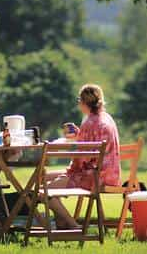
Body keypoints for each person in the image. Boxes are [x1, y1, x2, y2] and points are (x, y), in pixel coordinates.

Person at [44, 83, 122, 228]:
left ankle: (73, 225)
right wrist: (80, 135)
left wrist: (69, 168)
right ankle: (61, 224)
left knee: (44, 192)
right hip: (110, 174)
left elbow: (81, 159)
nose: (78, 103)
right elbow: (93, 147)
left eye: (79, 100)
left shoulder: (89, 123)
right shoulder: (105, 118)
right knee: (43, 177)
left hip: (93, 177)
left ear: (84, 102)